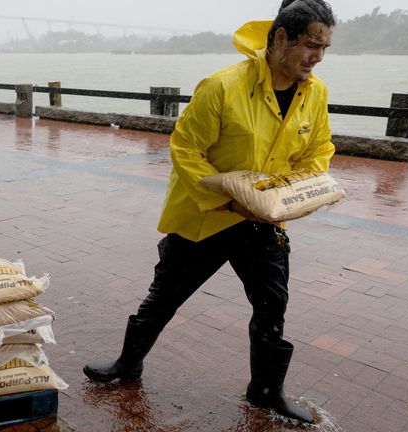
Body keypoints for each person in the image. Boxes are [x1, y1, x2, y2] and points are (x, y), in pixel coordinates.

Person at [83, 0, 336, 424]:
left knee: (272, 305)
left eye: (326, 48)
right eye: (312, 45)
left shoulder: (316, 93)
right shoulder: (222, 87)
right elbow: (185, 149)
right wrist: (230, 200)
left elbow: (319, 149)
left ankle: (267, 391)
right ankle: (127, 365)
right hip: (208, 216)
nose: (319, 57)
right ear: (280, 38)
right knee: (165, 295)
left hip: (264, 222)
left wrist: (301, 190)